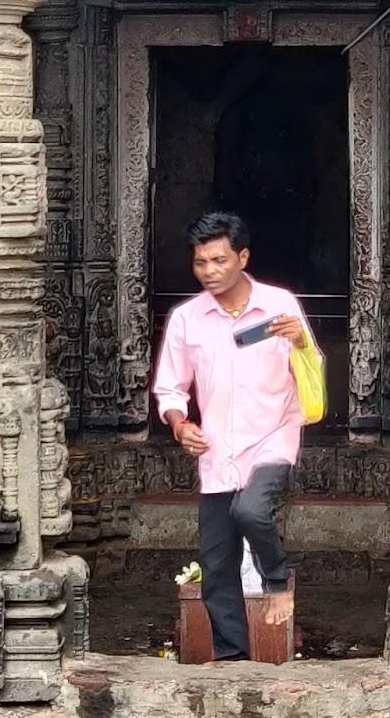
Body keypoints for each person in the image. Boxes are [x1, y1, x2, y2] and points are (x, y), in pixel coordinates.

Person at [153, 210, 312, 661]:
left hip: (273, 436)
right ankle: (232, 660)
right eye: (201, 262)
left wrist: (300, 340)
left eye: (219, 260)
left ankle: (277, 581)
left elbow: (311, 370)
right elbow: (170, 386)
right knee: (217, 564)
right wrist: (180, 424)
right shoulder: (188, 319)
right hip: (217, 448)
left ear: (243, 257)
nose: (209, 272)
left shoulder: (279, 305)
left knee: (252, 510)